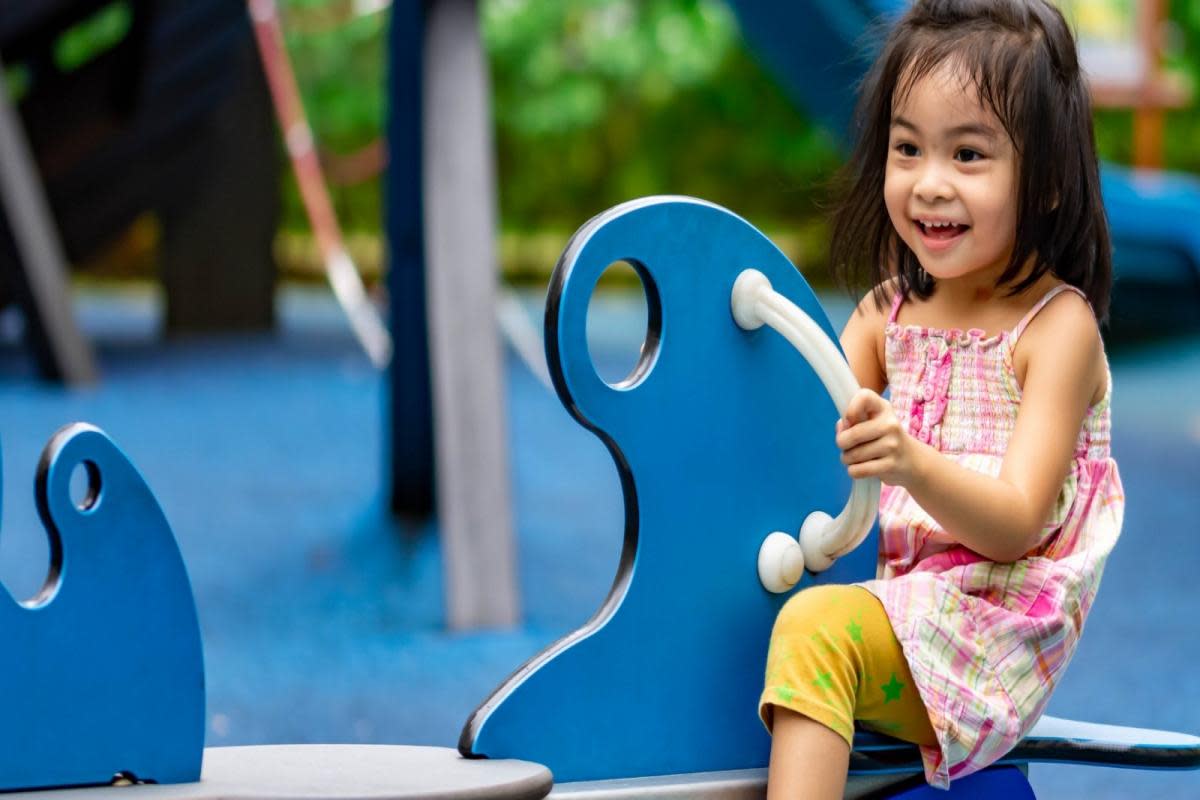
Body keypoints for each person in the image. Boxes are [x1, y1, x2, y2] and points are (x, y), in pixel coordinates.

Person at [758, 0, 1124, 795]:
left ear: (1051, 181)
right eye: (907, 148)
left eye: (967, 154)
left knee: (817, 631)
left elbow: (1016, 522)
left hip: (992, 634)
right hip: (898, 605)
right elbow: (797, 435)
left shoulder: (1053, 331)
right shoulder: (886, 316)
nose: (929, 184)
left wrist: (912, 464)